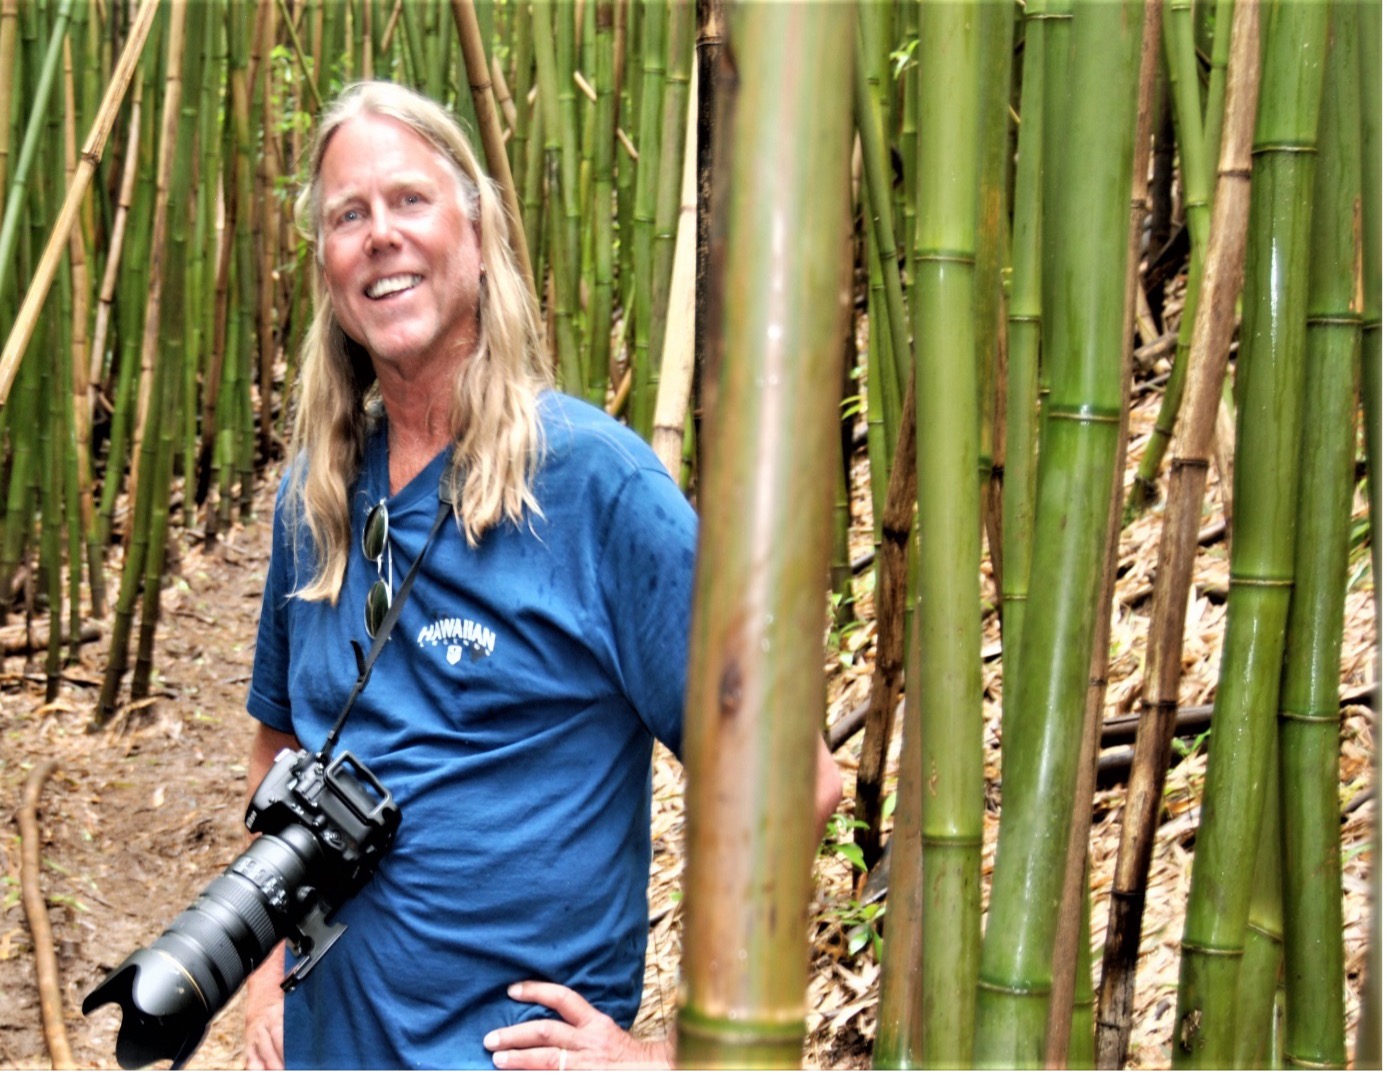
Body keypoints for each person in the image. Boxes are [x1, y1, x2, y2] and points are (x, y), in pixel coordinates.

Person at [243, 80, 842, 1070]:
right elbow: (280, 746)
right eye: (348, 215)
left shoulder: (597, 487)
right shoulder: (315, 497)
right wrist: (267, 975)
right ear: (326, 268)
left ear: (477, 234)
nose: (380, 235)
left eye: (409, 200)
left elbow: (795, 780)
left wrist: (674, 1052)